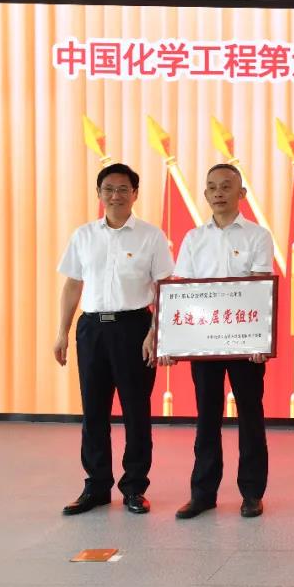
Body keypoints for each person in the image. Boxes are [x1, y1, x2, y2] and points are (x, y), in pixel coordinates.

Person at [54, 163, 174, 515]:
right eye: (108, 189)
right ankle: (96, 487)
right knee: (94, 411)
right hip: (92, 329)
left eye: (123, 189)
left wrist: (155, 332)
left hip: (134, 328)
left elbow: (163, 288)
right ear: (99, 193)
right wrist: (62, 331)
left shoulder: (151, 236)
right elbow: (72, 285)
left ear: (135, 194)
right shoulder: (84, 235)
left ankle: (134, 487)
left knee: (136, 410)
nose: (115, 195)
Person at [160, 163, 274, 520]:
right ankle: (203, 493)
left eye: (226, 186)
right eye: (212, 187)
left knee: (250, 415)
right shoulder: (194, 238)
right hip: (204, 343)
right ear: (206, 194)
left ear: (242, 194)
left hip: (245, 346)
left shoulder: (258, 236)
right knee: (206, 417)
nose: (219, 192)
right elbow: (182, 293)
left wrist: (260, 341)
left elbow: (259, 290)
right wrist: (172, 342)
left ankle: (252, 493)